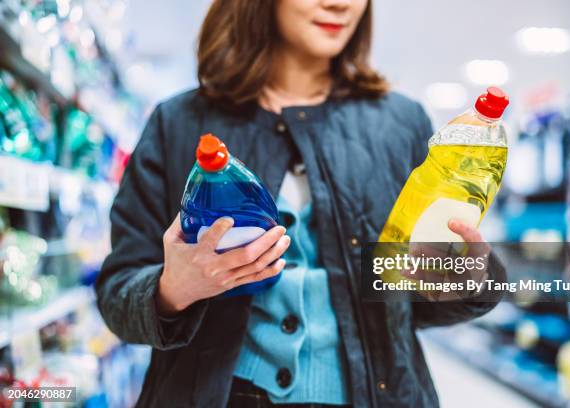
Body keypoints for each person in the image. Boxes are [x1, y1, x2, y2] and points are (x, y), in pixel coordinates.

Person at [95, 0, 504, 407]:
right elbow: (117, 294)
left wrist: (459, 277)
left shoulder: (400, 122)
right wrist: (172, 289)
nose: (340, 4)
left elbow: (408, 310)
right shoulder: (178, 122)